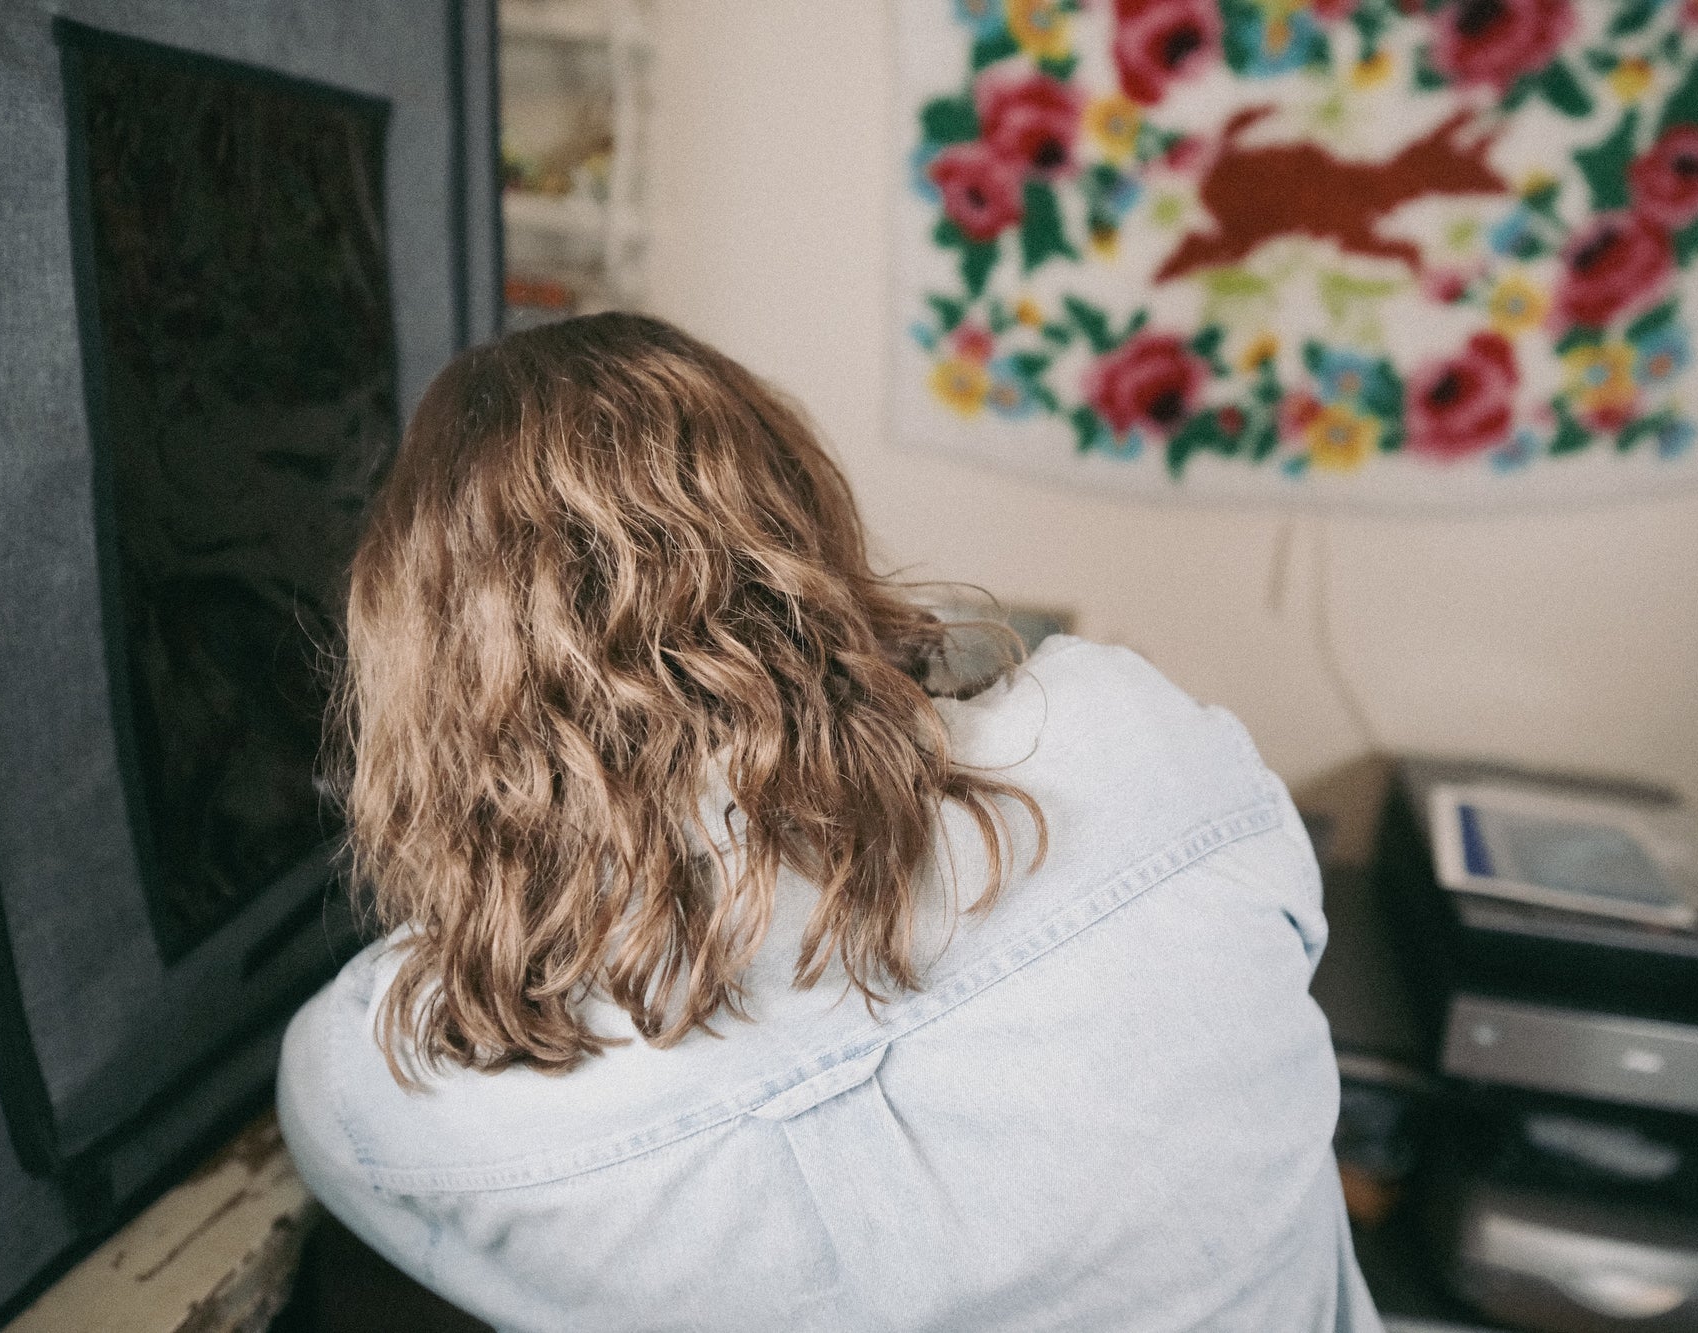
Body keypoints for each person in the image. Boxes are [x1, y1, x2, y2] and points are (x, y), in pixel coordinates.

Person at [277, 312, 1381, 1332]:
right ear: (798, 527)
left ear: (425, 665)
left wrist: (530, 823)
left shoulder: (385, 1089)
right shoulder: (1139, 748)